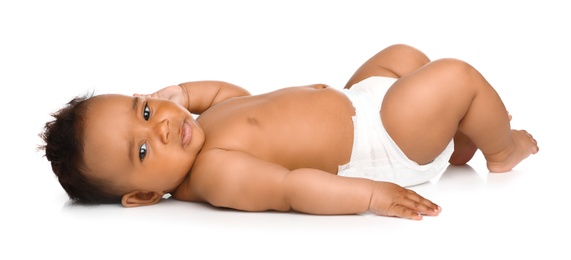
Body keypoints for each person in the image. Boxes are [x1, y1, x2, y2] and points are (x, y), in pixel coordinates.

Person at [39, 44, 538, 220]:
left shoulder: (202, 133)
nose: (164, 128)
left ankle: (456, 140)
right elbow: (289, 189)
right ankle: (502, 148)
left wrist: (186, 92)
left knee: (404, 56)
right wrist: (368, 196)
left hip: (362, 104)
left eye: (144, 111)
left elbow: (231, 97)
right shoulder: (214, 171)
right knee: (455, 75)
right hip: (382, 143)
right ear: (145, 194)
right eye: (143, 149)